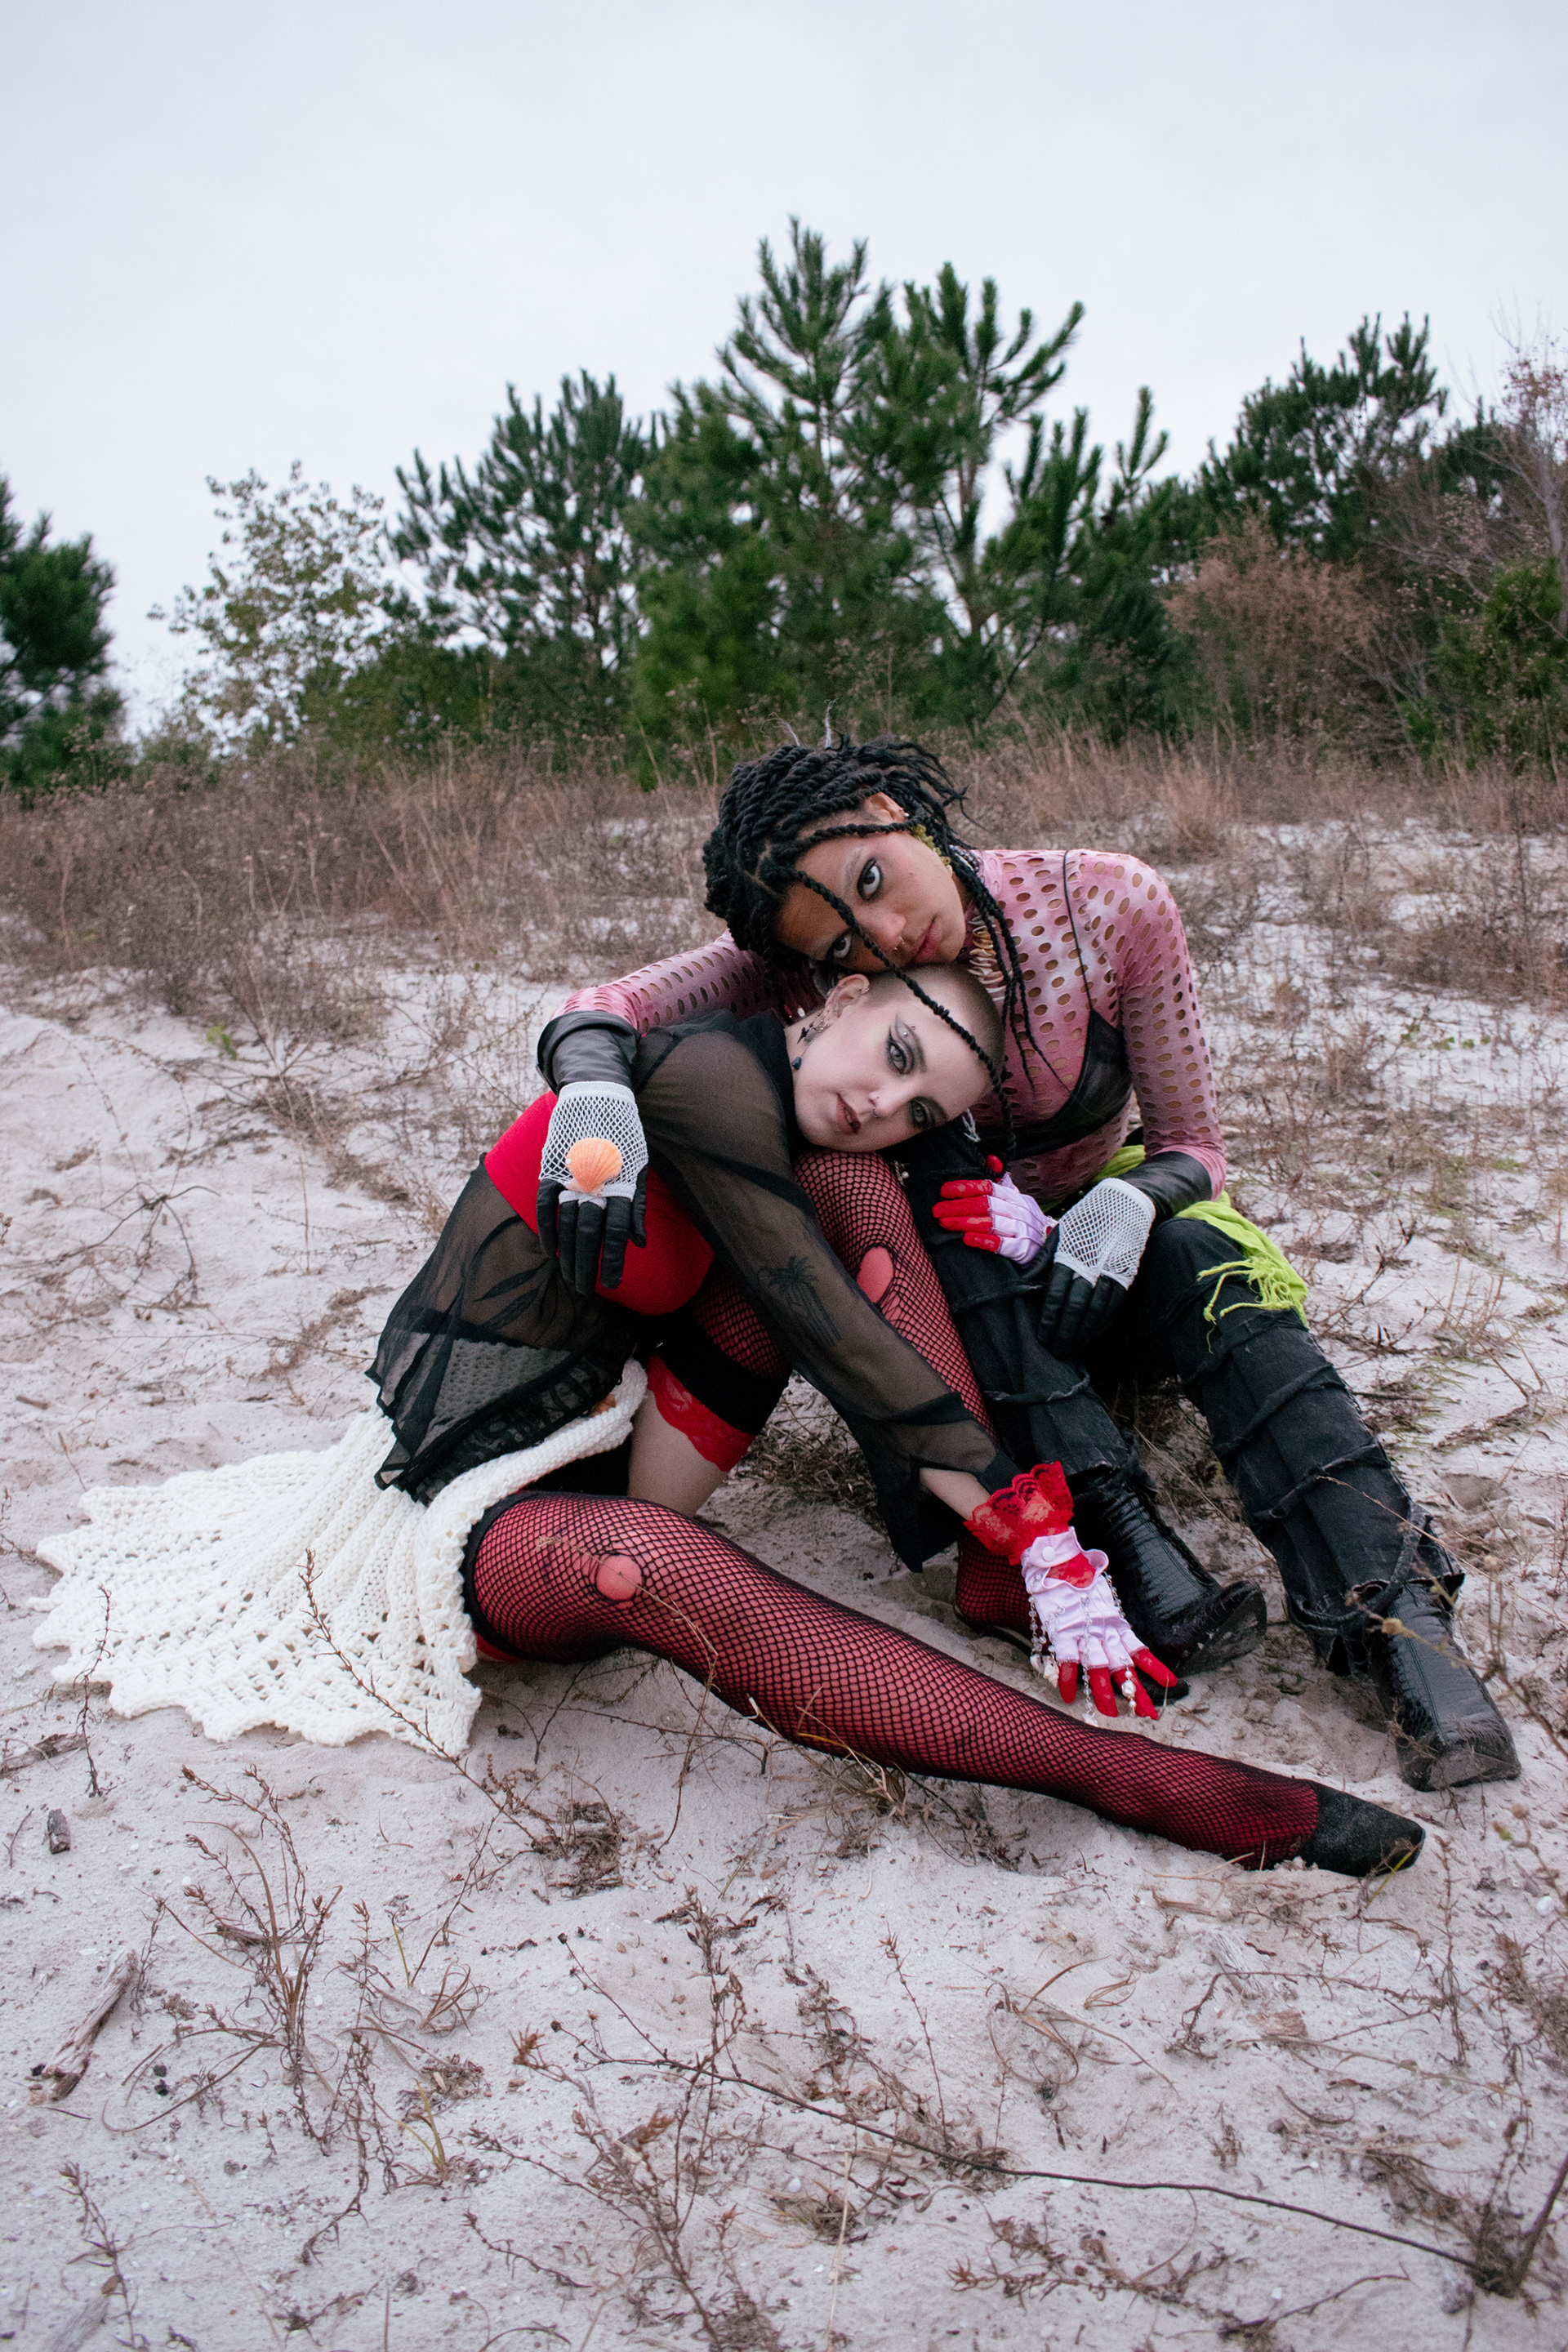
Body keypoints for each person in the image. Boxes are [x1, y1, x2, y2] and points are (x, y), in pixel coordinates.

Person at [533, 737, 1517, 1795]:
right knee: (938, 1183)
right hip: (963, 1322)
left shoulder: (1108, 906)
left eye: (874, 879)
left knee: (1204, 1253)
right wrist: (593, 1097)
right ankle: (1122, 1535)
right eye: (846, 942)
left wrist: (1128, 1204)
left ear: (890, 808)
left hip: (1107, 1264)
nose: (884, 935)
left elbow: (1196, 1146)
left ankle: (1401, 1620)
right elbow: (602, 1008)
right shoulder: (804, 966)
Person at [371, 961, 1424, 1878]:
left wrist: (1018, 1527)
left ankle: (985, 1570)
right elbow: (825, 1323)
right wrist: (1043, 1536)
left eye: (919, 1110)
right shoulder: (700, 1078)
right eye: (898, 1053)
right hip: (468, 1499)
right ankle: (1134, 1778)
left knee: (857, 1186)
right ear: (841, 1000)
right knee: (647, 1564)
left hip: (608, 1435)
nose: (883, 1101)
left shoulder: (801, 1118)